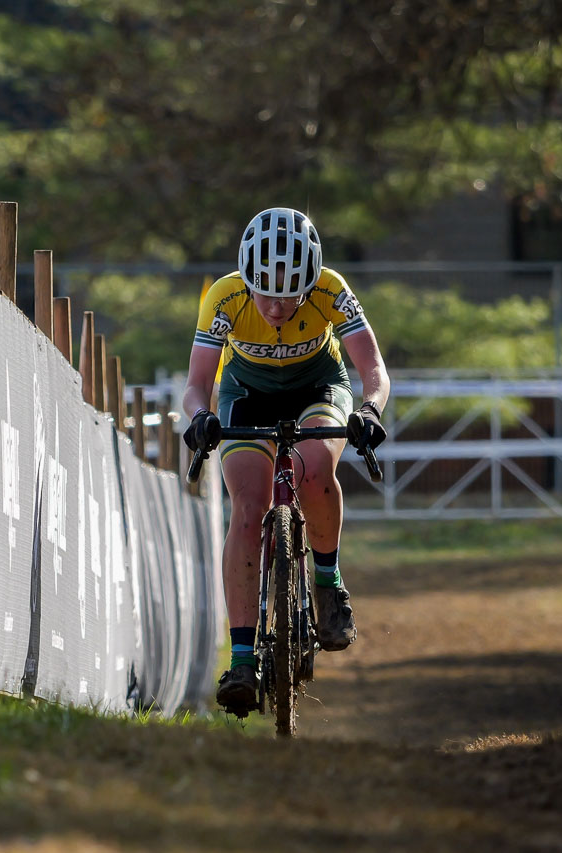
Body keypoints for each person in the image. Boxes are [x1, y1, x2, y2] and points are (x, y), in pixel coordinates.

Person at [182, 207, 390, 716]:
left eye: (291, 295)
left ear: (311, 283)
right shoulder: (225, 296)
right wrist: (200, 418)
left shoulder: (331, 289)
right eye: (265, 293)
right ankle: (242, 658)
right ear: (246, 280)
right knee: (248, 508)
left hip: (318, 386)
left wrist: (368, 409)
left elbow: (374, 370)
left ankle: (327, 585)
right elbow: (195, 386)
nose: (276, 308)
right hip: (246, 391)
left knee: (316, 469)